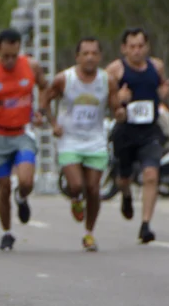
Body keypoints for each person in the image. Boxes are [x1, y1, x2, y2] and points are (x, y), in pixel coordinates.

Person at [0, 28, 48, 250]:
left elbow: (44, 87)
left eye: (14, 56)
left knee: (25, 181)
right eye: (5, 56)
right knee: (2, 186)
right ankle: (7, 232)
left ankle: (22, 198)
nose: (10, 61)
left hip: (22, 133)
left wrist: (41, 109)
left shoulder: (31, 66)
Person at [40, 37, 120, 251]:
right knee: (77, 185)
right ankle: (76, 198)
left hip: (95, 140)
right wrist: (53, 123)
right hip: (70, 140)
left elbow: (115, 107)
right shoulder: (64, 79)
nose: (90, 57)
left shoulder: (107, 80)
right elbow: (45, 100)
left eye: (94, 53)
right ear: (78, 57)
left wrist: (121, 111)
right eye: (85, 53)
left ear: (100, 56)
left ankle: (89, 233)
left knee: (93, 189)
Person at [105, 27, 169, 244]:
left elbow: (161, 87)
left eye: (141, 46)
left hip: (150, 130)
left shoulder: (156, 66)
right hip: (126, 132)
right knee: (124, 178)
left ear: (147, 47)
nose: (136, 51)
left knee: (151, 175)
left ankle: (145, 225)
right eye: (132, 47)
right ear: (124, 49)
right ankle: (125, 194)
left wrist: (163, 94)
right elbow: (105, 99)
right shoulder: (115, 70)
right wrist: (118, 99)